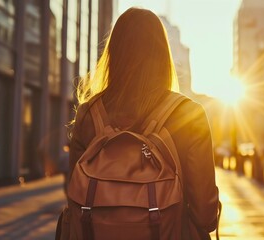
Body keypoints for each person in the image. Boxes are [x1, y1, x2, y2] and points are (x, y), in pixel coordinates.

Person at [68, 8, 219, 239]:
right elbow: (204, 215)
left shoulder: (89, 114)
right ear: (162, 54)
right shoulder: (189, 115)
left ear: (113, 54)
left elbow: (74, 195)